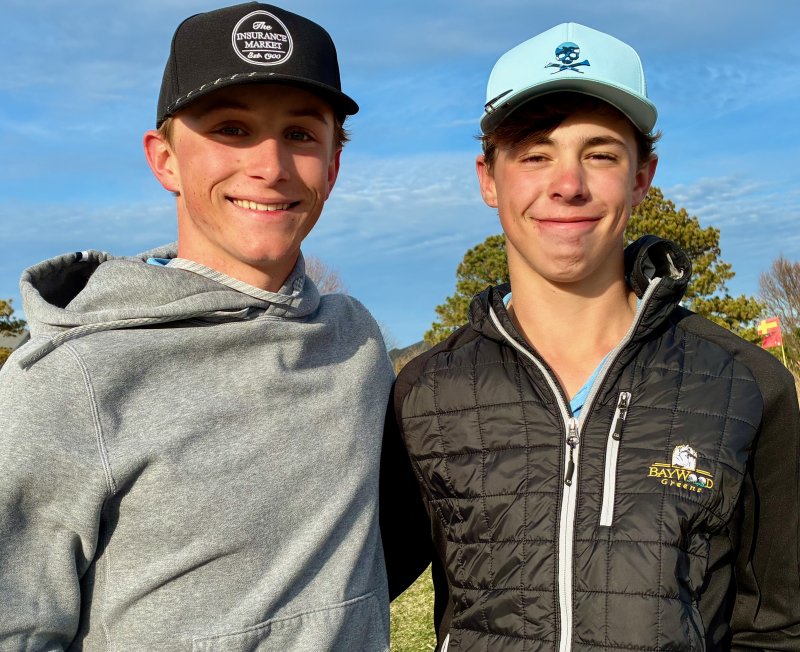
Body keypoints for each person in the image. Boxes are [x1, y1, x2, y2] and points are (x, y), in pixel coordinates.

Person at [387, 22, 800, 651]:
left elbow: (779, 628)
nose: (568, 183)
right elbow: (346, 590)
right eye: (535, 153)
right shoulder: (423, 392)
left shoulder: (748, 384)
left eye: (601, 154)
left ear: (642, 176)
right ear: (488, 178)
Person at [0, 3, 394, 649]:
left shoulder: (356, 341)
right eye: (231, 129)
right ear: (165, 160)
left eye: (300, 134)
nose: (271, 166)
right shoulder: (71, 378)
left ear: (333, 166)